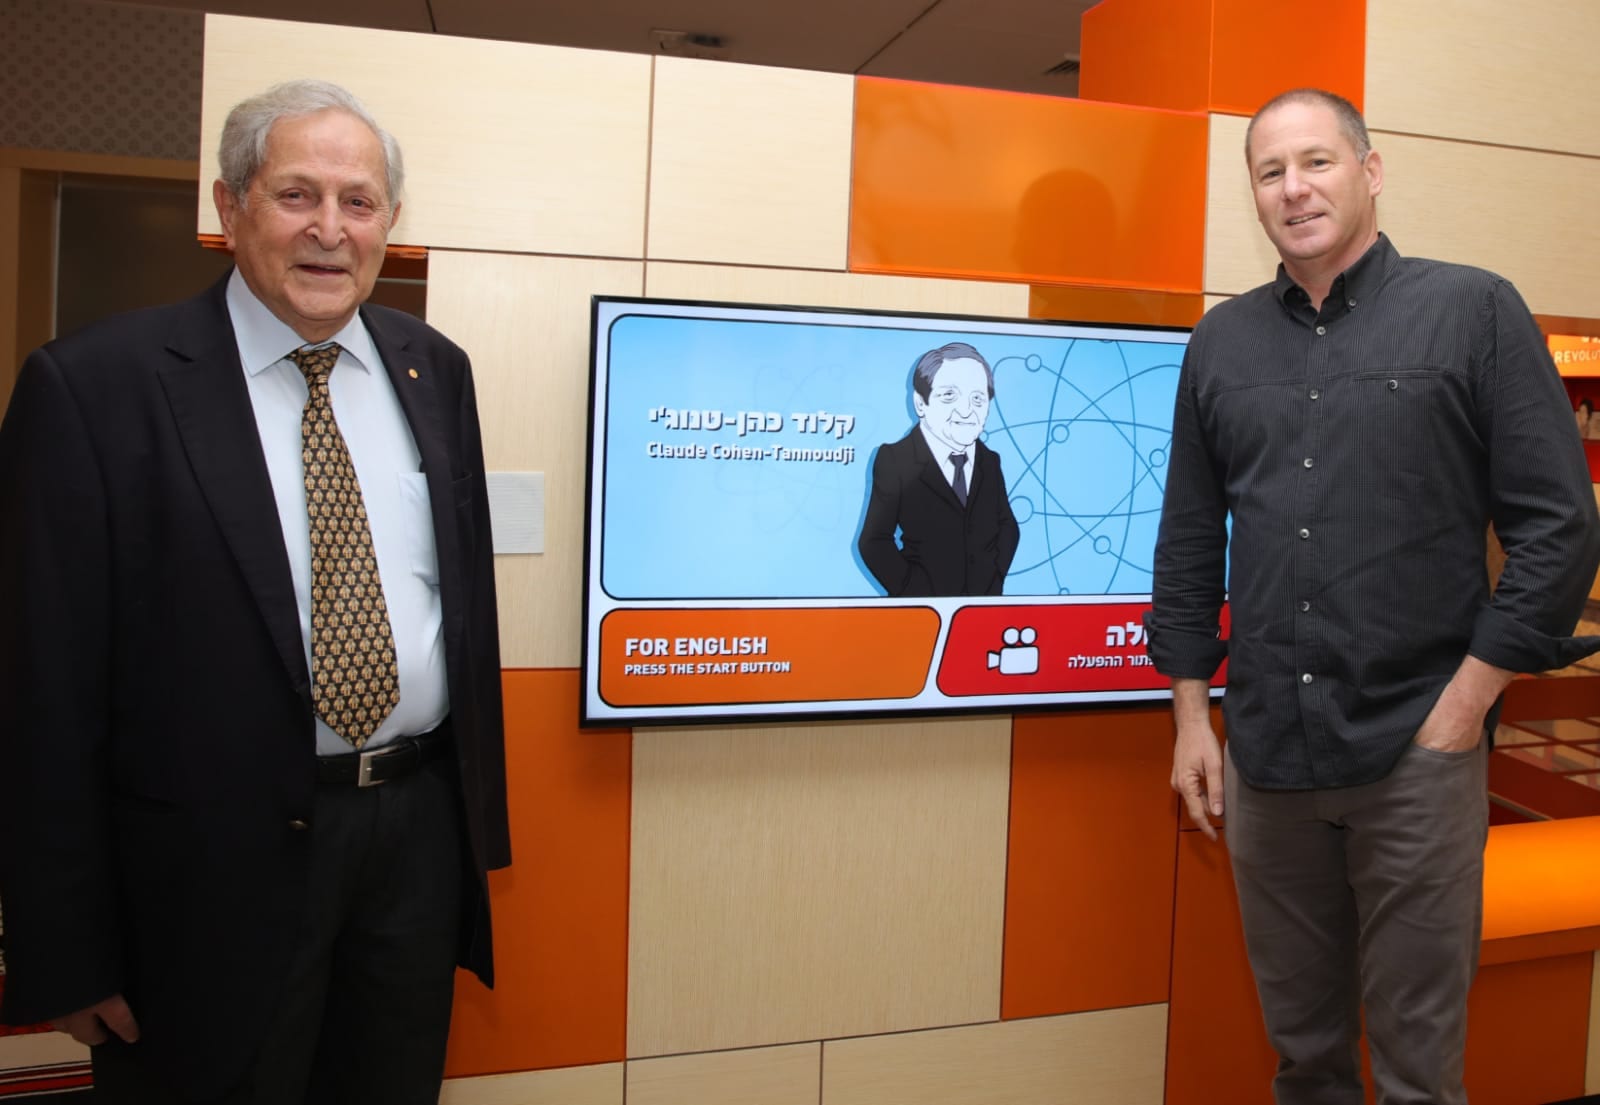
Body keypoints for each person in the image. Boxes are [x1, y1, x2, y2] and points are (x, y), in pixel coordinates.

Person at [0, 80, 510, 1104]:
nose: (330, 229)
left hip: (407, 841)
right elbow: (37, 686)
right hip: (202, 868)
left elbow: (461, 612)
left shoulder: (432, 369)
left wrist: (464, 848)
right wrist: (65, 944)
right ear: (230, 209)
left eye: (358, 202)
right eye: (296, 195)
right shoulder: (95, 387)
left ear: (391, 226)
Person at [1146, 87, 1600, 1105]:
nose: (1293, 189)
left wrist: (1465, 703)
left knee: (1415, 1069)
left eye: (1316, 162)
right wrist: (1189, 715)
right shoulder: (1221, 346)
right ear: (1253, 194)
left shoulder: (1472, 310)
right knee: (1303, 1056)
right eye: (1270, 171)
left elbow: (1559, 527)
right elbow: (1185, 540)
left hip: (1417, 751)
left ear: (1370, 169)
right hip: (1265, 759)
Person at [858, 342, 1019, 596]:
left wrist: (994, 576)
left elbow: (1007, 524)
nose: (966, 411)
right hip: (923, 618)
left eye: (977, 398)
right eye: (949, 396)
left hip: (984, 612)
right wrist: (914, 592)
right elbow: (873, 542)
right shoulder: (896, 459)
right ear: (921, 403)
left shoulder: (989, 461)